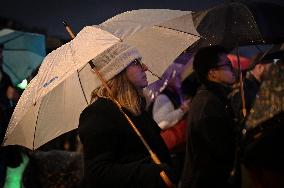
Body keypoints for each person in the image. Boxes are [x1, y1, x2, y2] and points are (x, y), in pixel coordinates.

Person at [78, 43, 174, 188]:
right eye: (136, 63)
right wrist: (152, 172)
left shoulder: (136, 109)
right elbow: (97, 173)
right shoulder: (98, 113)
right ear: (118, 71)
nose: (145, 67)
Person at [180, 45, 238, 188]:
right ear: (212, 73)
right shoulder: (208, 104)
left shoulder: (213, 97)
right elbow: (222, 149)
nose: (232, 68)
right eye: (227, 64)